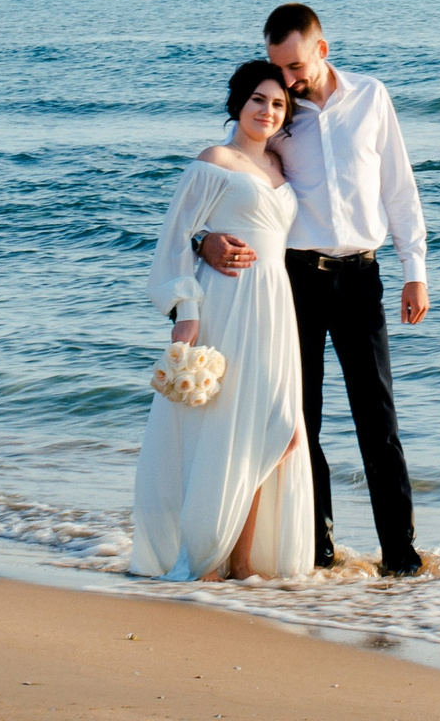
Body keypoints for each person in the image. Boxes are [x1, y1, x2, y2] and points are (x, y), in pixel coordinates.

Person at [196, 3, 427, 575]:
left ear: (322, 49)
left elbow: (399, 186)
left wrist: (414, 269)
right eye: (279, 69)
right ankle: (319, 550)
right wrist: (204, 240)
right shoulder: (278, 111)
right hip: (293, 281)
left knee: (379, 421)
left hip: (362, 278)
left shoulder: (372, 97)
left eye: (295, 67)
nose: (288, 82)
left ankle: (400, 556)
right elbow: (223, 176)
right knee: (303, 418)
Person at [128, 60, 315, 582]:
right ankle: (208, 558)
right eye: (259, 100)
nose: (268, 111)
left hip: (276, 309)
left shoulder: (281, 168)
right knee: (224, 428)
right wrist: (185, 310)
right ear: (238, 102)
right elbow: (174, 238)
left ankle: (242, 560)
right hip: (228, 302)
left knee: (276, 430)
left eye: (278, 104)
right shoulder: (215, 160)